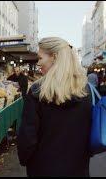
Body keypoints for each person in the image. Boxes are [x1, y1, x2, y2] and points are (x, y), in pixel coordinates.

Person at [17, 37, 92, 177]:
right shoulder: (86, 90)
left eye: (40, 58)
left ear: (54, 57)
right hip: (78, 169)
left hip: (43, 169)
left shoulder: (36, 91)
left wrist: (26, 161)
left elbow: (27, 139)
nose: (38, 63)